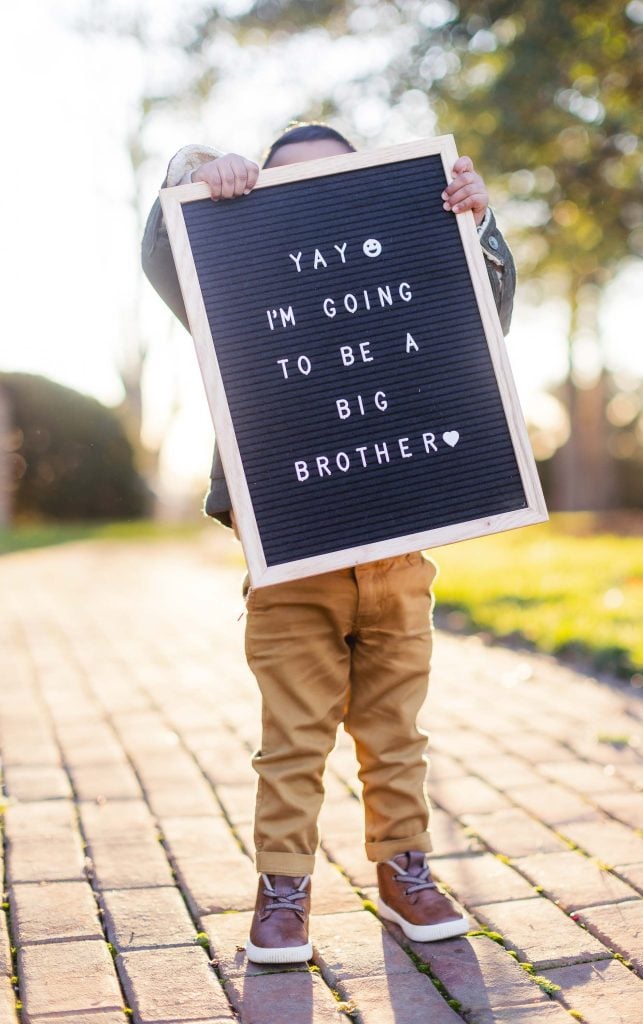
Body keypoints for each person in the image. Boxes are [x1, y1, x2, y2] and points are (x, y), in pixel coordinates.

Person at [142, 122, 516, 965]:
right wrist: (199, 174)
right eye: (286, 187)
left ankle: (403, 871)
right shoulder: (236, 289)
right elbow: (165, 254)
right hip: (290, 558)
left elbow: (483, 316)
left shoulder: (405, 256)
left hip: (398, 553)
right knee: (292, 736)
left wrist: (473, 223)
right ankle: (284, 889)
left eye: (334, 183)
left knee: (396, 731)